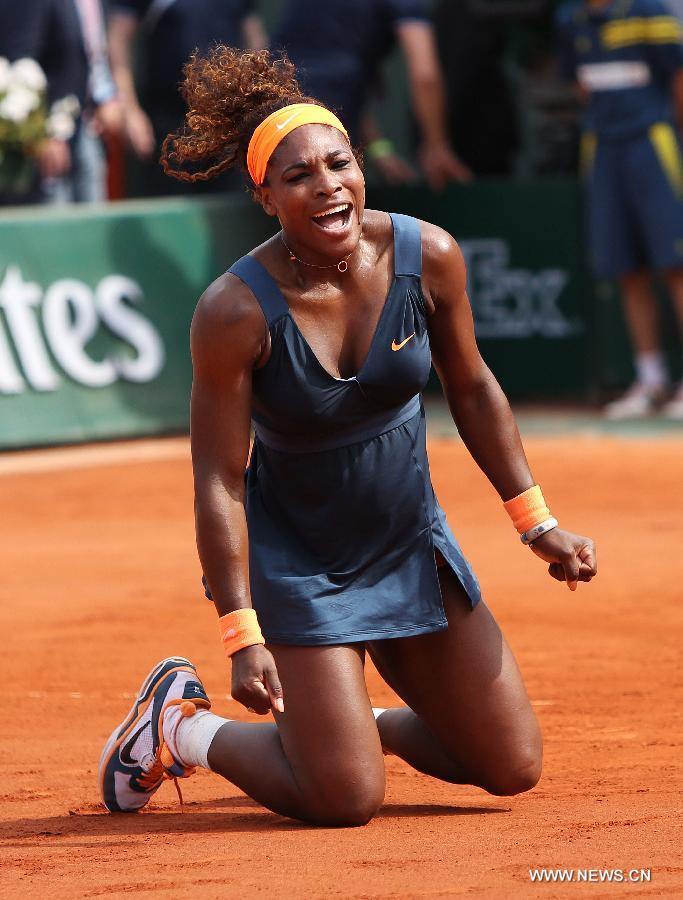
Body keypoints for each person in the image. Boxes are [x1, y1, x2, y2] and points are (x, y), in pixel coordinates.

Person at [98, 47, 597, 827]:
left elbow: (470, 387)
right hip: (300, 566)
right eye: (298, 176)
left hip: (408, 544)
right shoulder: (231, 311)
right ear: (265, 197)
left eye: (338, 164)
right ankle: (181, 726)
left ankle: (346, 734)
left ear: (359, 167)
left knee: (509, 766)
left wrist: (536, 523)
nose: (326, 184)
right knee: (344, 799)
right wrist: (240, 635)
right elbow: (220, 480)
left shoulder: (426, 253)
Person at [557, 0, 683, 419]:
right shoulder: (570, 19)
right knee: (627, 267)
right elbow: (581, 85)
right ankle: (651, 381)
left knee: (676, 264)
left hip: (655, 141)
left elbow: (679, 80)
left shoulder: (652, 11)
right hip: (603, 148)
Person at [271, 0, 470, 190]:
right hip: (316, 114)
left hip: (273, 106)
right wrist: (437, 146)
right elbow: (425, 74)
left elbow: (336, 78)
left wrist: (379, 151)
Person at [107, 0, 267, 196]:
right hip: (169, 128)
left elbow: (255, 38)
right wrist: (130, 111)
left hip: (229, 125)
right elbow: (118, 39)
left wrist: (252, 103)